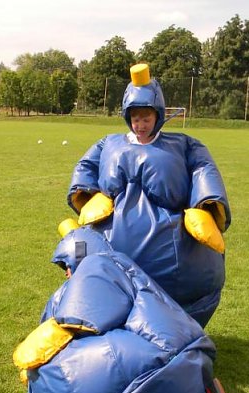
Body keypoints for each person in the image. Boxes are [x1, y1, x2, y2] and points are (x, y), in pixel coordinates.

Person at [13, 226, 249, 393]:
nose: (66, 272)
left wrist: (56, 332)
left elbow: (88, 315)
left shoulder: (98, 265)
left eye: (66, 264)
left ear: (78, 254)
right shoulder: (113, 274)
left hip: (158, 363)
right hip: (173, 357)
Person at [67, 64, 230, 327]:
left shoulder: (183, 145)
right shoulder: (109, 143)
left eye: (146, 118)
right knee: (95, 282)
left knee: (180, 308)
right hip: (112, 244)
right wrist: (90, 197)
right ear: (126, 117)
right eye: (135, 118)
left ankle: (179, 340)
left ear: (158, 116)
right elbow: (84, 168)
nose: (140, 125)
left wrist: (205, 205)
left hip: (175, 255)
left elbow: (204, 168)